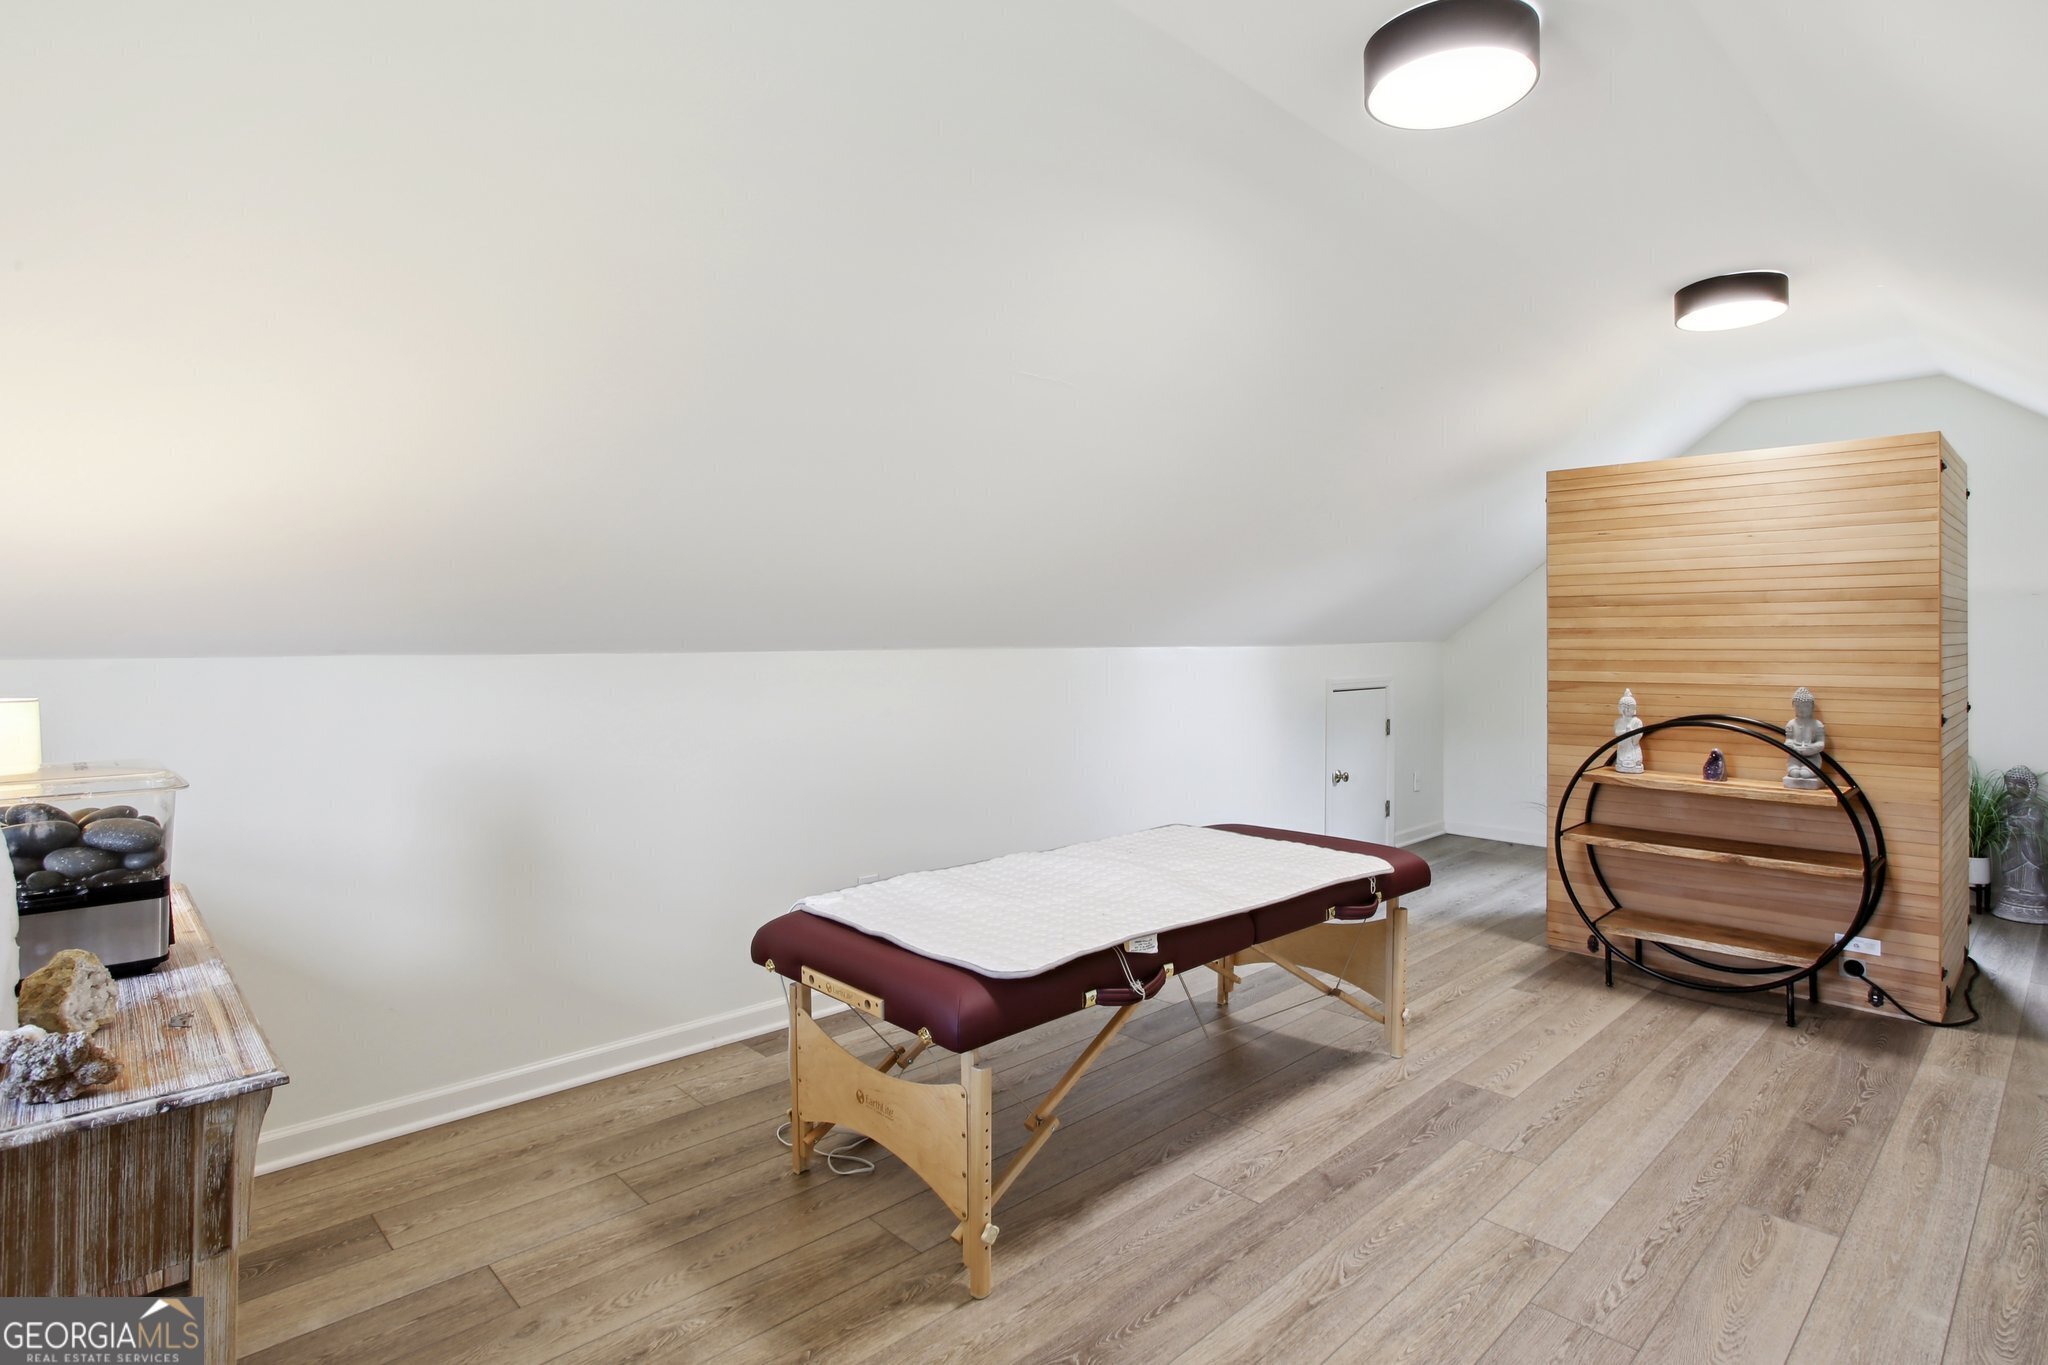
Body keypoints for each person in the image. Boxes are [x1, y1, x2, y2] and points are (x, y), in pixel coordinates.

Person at [1995, 767, 2048, 922]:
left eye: (2018, 785)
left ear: (2029, 787)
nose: (2013, 788)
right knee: (2010, 871)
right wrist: (2009, 824)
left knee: (2030, 871)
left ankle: (2032, 897)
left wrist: (2019, 823)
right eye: (2010, 785)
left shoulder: (2034, 805)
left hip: (2028, 847)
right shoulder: (2008, 803)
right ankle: (2011, 892)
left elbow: (2036, 822)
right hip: (2013, 846)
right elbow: (2002, 821)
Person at [1784, 687, 1825, 789]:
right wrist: (1791, 745)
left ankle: (1808, 769)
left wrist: (1811, 748)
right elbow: (1788, 740)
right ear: (1793, 706)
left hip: (1812, 757)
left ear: (1812, 706)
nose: (1801, 709)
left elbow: (1821, 743)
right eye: (1798, 706)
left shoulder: (1817, 724)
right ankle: (1795, 768)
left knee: (1805, 774)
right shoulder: (1791, 724)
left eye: (1805, 706)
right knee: (1795, 773)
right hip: (1795, 756)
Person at [1614, 690, 1644, 774]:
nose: (1627, 710)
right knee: (1621, 759)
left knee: (1637, 760)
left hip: (1633, 746)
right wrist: (1625, 732)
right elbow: (1617, 732)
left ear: (1634, 709)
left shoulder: (1637, 721)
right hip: (1623, 745)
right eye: (1624, 707)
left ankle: (1636, 764)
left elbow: (1639, 734)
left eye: (1630, 707)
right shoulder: (1618, 721)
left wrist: (1631, 732)